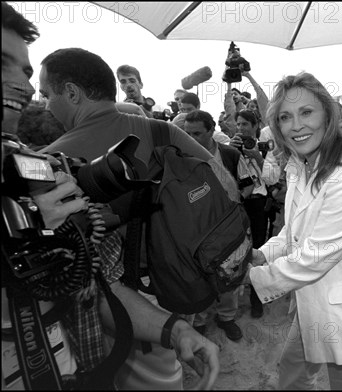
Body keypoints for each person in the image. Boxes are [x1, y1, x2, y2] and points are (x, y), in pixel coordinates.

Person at [1, 4, 220, 390]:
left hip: (82, 360)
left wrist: (176, 331)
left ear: (70, 92)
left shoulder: (44, 169)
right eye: (3, 63)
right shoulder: (156, 128)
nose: (24, 86)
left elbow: (101, 285)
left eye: (26, 72)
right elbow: (223, 183)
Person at [248, 72, 342, 390]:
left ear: (328, 114)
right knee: (293, 375)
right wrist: (260, 254)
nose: (296, 125)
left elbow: (315, 255)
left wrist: (251, 278)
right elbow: (291, 234)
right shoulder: (298, 166)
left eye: (306, 112)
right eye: (285, 117)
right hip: (310, 303)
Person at [182, 109, 253, 341]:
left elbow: (248, 185)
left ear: (212, 131)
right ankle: (200, 320)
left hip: (229, 228)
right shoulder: (180, 157)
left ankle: (226, 318)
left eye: (197, 133)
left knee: (229, 273)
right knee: (200, 275)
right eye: (187, 133)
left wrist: (232, 209)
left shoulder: (231, 155)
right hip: (197, 230)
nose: (191, 139)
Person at [230, 108, 281, 318]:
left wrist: (258, 157)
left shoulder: (266, 148)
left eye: (245, 124)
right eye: (239, 124)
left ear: (255, 127)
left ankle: (256, 298)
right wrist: (231, 153)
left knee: (259, 249)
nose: (241, 128)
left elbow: (272, 179)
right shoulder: (229, 148)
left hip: (259, 204)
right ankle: (234, 297)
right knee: (236, 249)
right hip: (238, 204)